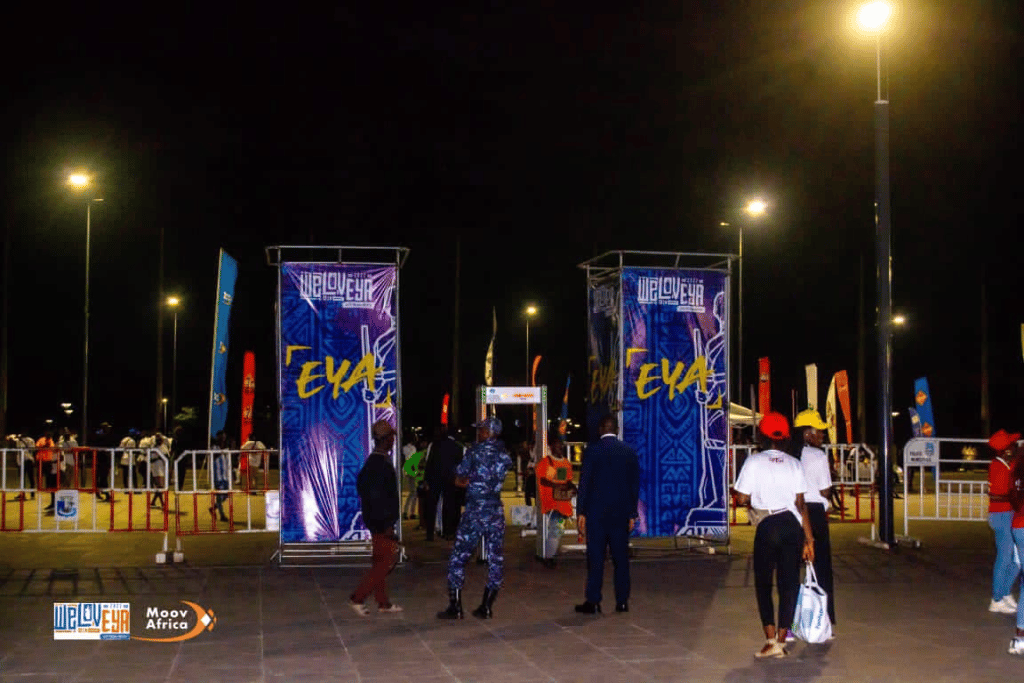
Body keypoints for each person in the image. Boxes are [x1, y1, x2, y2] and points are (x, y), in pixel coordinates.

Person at [732, 411, 814, 658]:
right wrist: (809, 540)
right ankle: (781, 639)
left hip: (767, 525)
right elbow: (801, 504)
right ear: (786, 437)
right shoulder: (794, 463)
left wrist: (750, 498)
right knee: (789, 583)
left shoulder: (753, 461)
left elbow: (742, 497)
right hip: (791, 524)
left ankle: (769, 640)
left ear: (762, 436)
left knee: (764, 583)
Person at [437, 416, 513, 620]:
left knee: (458, 557)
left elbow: (460, 475)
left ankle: (455, 606)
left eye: (481, 430)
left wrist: (466, 481)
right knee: (496, 559)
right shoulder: (504, 455)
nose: (478, 433)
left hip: (475, 512)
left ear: (489, 432)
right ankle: (486, 606)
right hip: (495, 511)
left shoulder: (474, 452)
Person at [574, 413, 639, 615]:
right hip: (620, 514)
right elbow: (634, 486)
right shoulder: (628, 451)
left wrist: (581, 512)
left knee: (596, 559)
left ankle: (593, 601)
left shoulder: (592, 451)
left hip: (596, 514)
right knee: (621, 559)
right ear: (617, 430)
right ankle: (622, 601)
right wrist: (632, 513)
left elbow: (584, 483)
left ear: (601, 429)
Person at [349, 420, 402, 615]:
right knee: (385, 563)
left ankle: (383, 602)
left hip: (375, 519)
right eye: (392, 437)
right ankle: (357, 598)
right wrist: (386, 523)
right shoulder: (380, 464)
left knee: (380, 561)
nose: (393, 440)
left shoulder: (373, 462)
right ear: (386, 439)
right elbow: (377, 496)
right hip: (381, 521)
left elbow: (363, 488)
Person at [793, 408, 837, 632]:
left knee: (791, 570)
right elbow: (825, 491)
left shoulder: (790, 455)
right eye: (818, 431)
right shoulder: (818, 456)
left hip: (793, 512)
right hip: (814, 512)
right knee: (821, 567)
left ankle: (789, 625)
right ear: (807, 433)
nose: (822, 435)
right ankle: (824, 621)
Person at [988, 429, 1021, 614]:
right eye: (1013, 445)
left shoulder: (1006, 464)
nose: (1016, 447)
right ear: (1006, 450)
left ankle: (1004, 592)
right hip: (1002, 516)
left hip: (1007, 515)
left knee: (1015, 559)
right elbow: (998, 495)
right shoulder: (999, 467)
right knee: (1006, 557)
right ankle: (997, 599)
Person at [537, 428, 577, 568]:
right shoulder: (546, 463)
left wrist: (572, 487)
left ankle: (549, 554)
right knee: (557, 529)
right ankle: (549, 556)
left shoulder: (565, 463)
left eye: (561, 446)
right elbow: (544, 480)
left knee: (556, 529)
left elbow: (565, 480)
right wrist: (557, 486)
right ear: (551, 447)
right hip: (552, 504)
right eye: (557, 446)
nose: (560, 448)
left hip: (562, 504)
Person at [423, 425, 465, 542]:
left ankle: (430, 533)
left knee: (432, 506)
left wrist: (426, 480)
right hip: (450, 480)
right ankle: (448, 532)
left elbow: (429, 463)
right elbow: (460, 466)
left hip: (434, 479)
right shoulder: (458, 447)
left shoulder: (435, 445)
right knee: (449, 506)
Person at [209, 443, 231, 522]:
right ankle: (222, 515)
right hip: (218, 480)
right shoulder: (215, 458)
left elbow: (227, 467)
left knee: (226, 496)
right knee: (219, 497)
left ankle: (213, 508)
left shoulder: (224, 455)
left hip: (225, 479)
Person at [10, 435, 36, 500]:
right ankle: (27, 494)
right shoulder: (26, 440)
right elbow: (32, 450)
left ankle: (28, 494)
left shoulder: (24, 440)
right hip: (25, 460)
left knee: (27, 478)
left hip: (25, 460)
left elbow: (31, 450)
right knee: (26, 478)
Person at [400, 430, 419, 521]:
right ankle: (409, 512)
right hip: (411, 471)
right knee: (413, 492)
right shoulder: (413, 448)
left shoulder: (404, 448)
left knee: (411, 493)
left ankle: (407, 512)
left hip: (405, 471)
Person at [37, 431, 57, 513]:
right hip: (41, 460)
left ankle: (48, 488)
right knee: (39, 474)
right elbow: (37, 447)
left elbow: (52, 450)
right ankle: (40, 486)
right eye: (48, 435)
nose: (49, 436)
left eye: (50, 435)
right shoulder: (41, 439)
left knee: (49, 477)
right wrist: (44, 446)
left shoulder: (52, 441)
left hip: (49, 461)